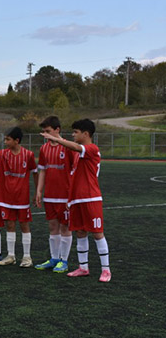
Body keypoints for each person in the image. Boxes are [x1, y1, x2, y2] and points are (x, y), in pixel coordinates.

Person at [41, 118, 111, 282]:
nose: (73, 135)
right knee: (80, 232)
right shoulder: (78, 154)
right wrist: (70, 198)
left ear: (86, 134)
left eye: (75, 132)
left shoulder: (92, 149)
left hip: (91, 198)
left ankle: (106, 270)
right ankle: (83, 267)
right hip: (76, 199)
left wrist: (57, 139)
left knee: (97, 233)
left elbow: (76, 147)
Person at [0, 127, 38, 267]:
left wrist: (37, 192)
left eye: (8, 139)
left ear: (17, 140)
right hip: (6, 197)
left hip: (22, 197)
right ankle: (11, 256)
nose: (5, 142)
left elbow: (35, 172)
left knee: (24, 225)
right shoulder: (3, 154)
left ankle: (27, 257)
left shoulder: (28, 155)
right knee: (10, 224)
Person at [34, 116, 76, 273]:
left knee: (65, 227)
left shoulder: (68, 147)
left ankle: (64, 261)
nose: (45, 134)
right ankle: (54, 258)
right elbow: (43, 171)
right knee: (52, 226)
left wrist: (71, 195)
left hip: (65, 195)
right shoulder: (44, 149)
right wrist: (39, 190)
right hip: (50, 195)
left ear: (57, 130)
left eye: (48, 131)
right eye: (43, 132)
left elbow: (74, 172)